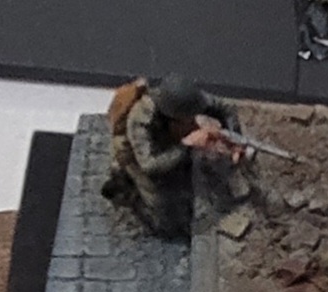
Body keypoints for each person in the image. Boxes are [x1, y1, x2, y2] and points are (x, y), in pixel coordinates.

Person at [101, 75, 244, 237]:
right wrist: (187, 145)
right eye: (188, 118)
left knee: (186, 170)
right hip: (137, 156)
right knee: (167, 222)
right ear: (173, 116)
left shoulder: (188, 99)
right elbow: (149, 165)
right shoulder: (140, 120)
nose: (193, 119)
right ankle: (130, 192)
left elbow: (225, 108)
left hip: (169, 137)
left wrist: (235, 139)